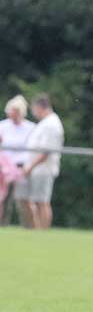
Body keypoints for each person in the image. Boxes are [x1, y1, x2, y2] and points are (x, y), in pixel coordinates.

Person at [16, 94, 64, 229]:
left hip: (43, 169)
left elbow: (46, 152)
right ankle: (36, 230)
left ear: (40, 107)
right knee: (35, 201)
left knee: (42, 202)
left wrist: (30, 167)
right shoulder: (45, 123)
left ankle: (43, 231)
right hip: (37, 168)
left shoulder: (51, 124)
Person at [0, 95, 35, 225]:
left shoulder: (31, 128)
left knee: (22, 199)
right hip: (4, 167)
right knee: (2, 198)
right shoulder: (3, 126)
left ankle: (29, 226)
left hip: (22, 166)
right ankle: (2, 224)